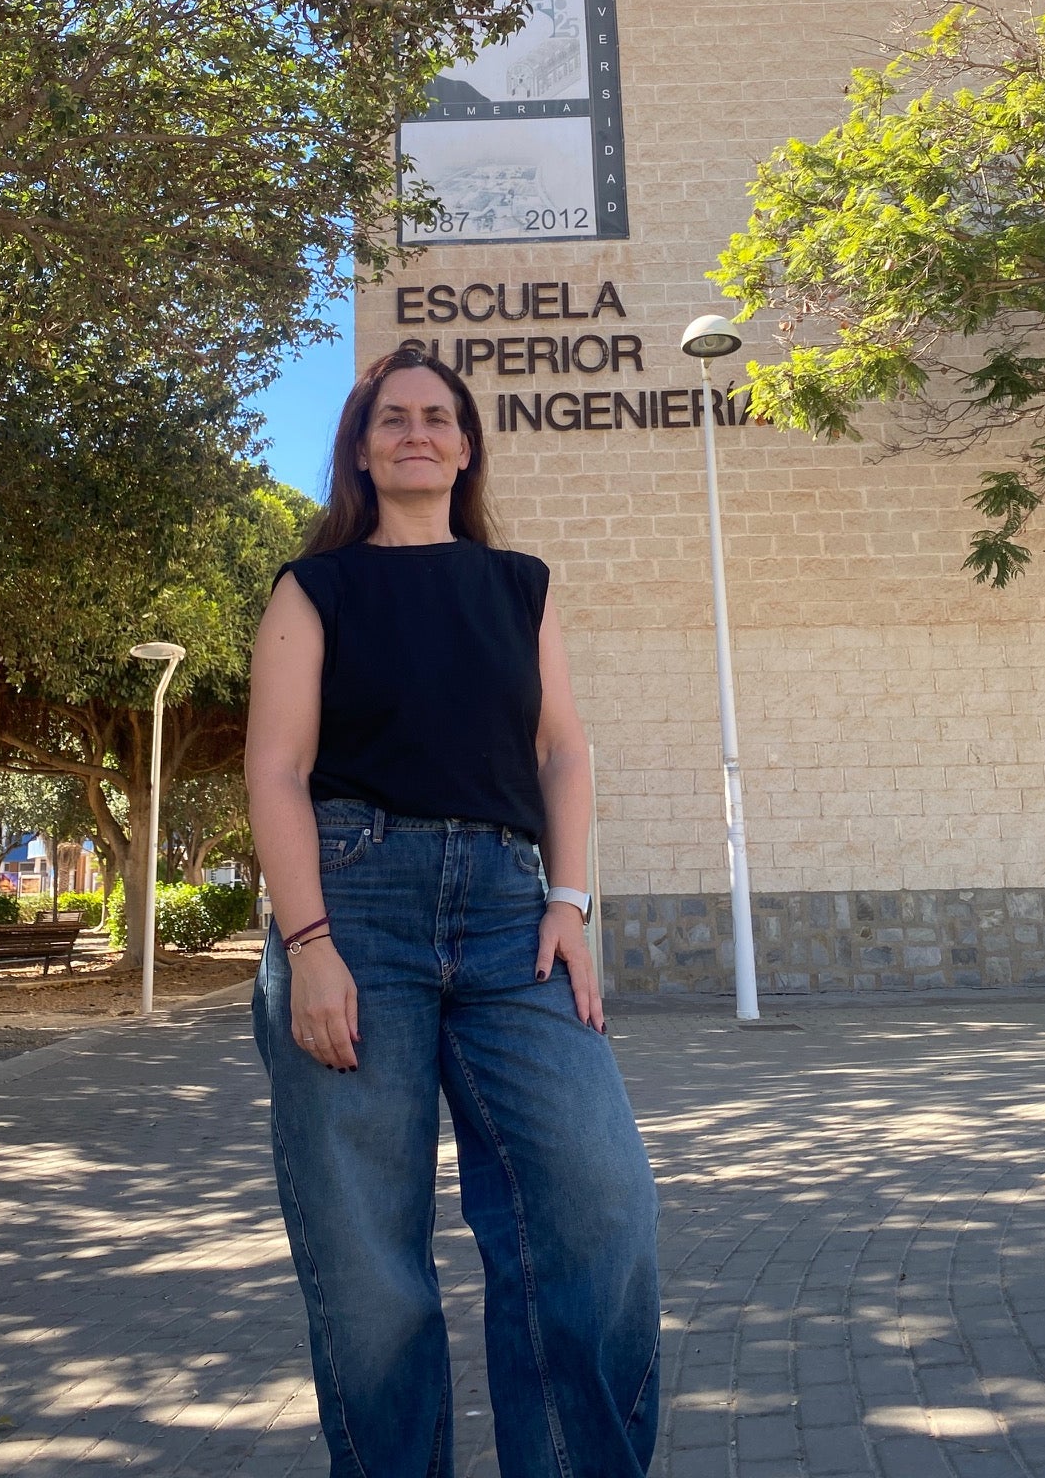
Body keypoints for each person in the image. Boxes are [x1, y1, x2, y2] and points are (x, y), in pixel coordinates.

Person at [245, 346, 661, 1478]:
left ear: (466, 444)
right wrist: (309, 944)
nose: (416, 432)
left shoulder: (518, 583)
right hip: (353, 909)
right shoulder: (314, 587)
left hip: (507, 914)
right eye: (393, 418)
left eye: (438, 417)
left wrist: (570, 902)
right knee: (369, 1260)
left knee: (598, 1201)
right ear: (362, 445)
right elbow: (276, 771)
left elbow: (564, 750)